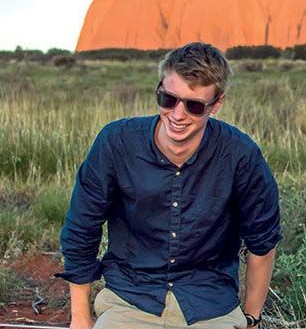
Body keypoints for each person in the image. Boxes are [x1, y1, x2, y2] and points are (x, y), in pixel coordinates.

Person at [56, 42, 282, 329]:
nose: (177, 115)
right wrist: (80, 317)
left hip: (208, 306)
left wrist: (251, 318)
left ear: (217, 104)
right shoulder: (117, 144)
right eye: (168, 99)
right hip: (130, 299)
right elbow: (82, 228)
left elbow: (262, 241)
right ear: (159, 89)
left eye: (195, 106)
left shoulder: (240, 155)